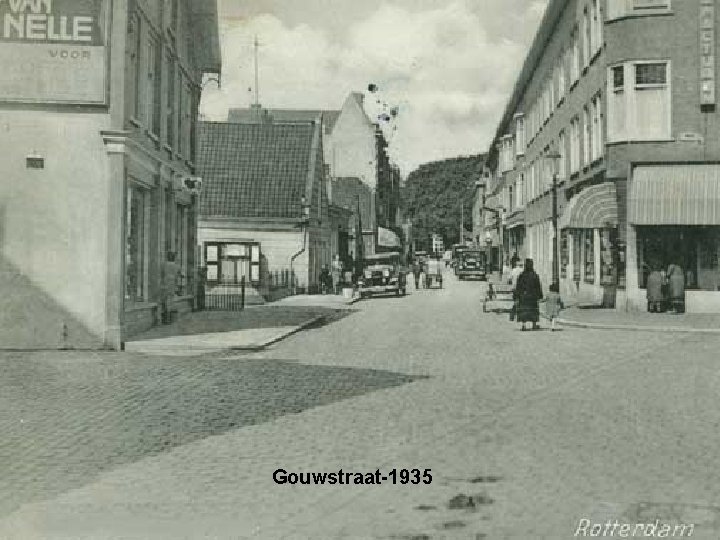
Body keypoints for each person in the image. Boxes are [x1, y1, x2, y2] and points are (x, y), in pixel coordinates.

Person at [514, 258, 543, 331]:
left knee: (524, 311)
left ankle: (524, 325)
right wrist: (539, 296)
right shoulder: (535, 275)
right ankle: (534, 324)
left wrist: (516, 295)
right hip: (532, 297)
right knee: (533, 310)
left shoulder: (522, 275)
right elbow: (538, 286)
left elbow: (518, 286)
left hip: (523, 296)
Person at [160, 252, 180, 324]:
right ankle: (170, 319)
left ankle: (165, 319)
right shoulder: (176, 266)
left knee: (164, 301)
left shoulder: (164, 265)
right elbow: (177, 276)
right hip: (172, 285)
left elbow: (161, 274)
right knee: (171, 302)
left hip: (164, 285)